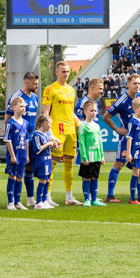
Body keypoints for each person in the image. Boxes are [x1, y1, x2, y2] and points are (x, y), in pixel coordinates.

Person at [42, 61, 82, 206]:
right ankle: (46, 195)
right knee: (52, 163)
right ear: (57, 72)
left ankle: (69, 196)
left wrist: (81, 124)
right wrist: (49, 132)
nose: (66, 74)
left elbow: (71, 113)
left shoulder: (71, 90)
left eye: (67, 71)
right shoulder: (50, 89)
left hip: (71, 130)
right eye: (63, 71)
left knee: (69, 163)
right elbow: (45, 113)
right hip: (57, 130)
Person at [103, 73, 140, 203]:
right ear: (128, 84)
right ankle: (110, 195)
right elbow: (106, 117)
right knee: (119, 163)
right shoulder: (122, 100)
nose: (137, 86)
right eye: (134, 83)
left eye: (138, 83)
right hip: (127, 138)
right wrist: (118, 130)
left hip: (139, 139)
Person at [5, 72, 39, 207]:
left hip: (29, 139)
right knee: (14, 174)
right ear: (27, 83)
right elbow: (8, 119)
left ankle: (30, 199)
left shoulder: (35, 98)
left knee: (28, 167)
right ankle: (11, 201)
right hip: (17, 141)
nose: (37, 86)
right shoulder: (17, 97)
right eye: (35, 84)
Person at [78, 100, 106, 207]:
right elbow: (81, 143)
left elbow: (99, 142)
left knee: (95, 177)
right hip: (88, 157)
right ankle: (87, 199)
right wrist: (84, 157)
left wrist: (102, 156)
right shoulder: (83, 126)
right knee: (86, 178)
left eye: (95, 111)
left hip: (96, 156)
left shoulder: (97, 126)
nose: (93, 113)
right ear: (85, 111)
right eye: (91, 111)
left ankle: (94, 199)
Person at [4, 97, 29, 210]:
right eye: (21, 106)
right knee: (12, 176)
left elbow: (27, 140)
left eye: (24, 106)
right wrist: (13, 155)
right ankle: (10, 202)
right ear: (14, 108)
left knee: (20, 178)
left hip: (23, 154)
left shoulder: (26, 123)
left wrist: (27, 155)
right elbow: (8, 140)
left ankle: (17, 202)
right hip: (14, 154)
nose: (23, 108)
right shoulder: (10, 123)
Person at [31, 114, 59, 209]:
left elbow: (47, 147)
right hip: (41, 161)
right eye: (50, 124)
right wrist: (48, 144)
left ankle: (44, 200)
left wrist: (53, 146)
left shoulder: (46, 134)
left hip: (48, 160)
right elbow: (38, 149)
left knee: (47, 180)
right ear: (44, 123)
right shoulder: (37, 135)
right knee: (42, 180)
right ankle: (38, 202)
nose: (50, 126)